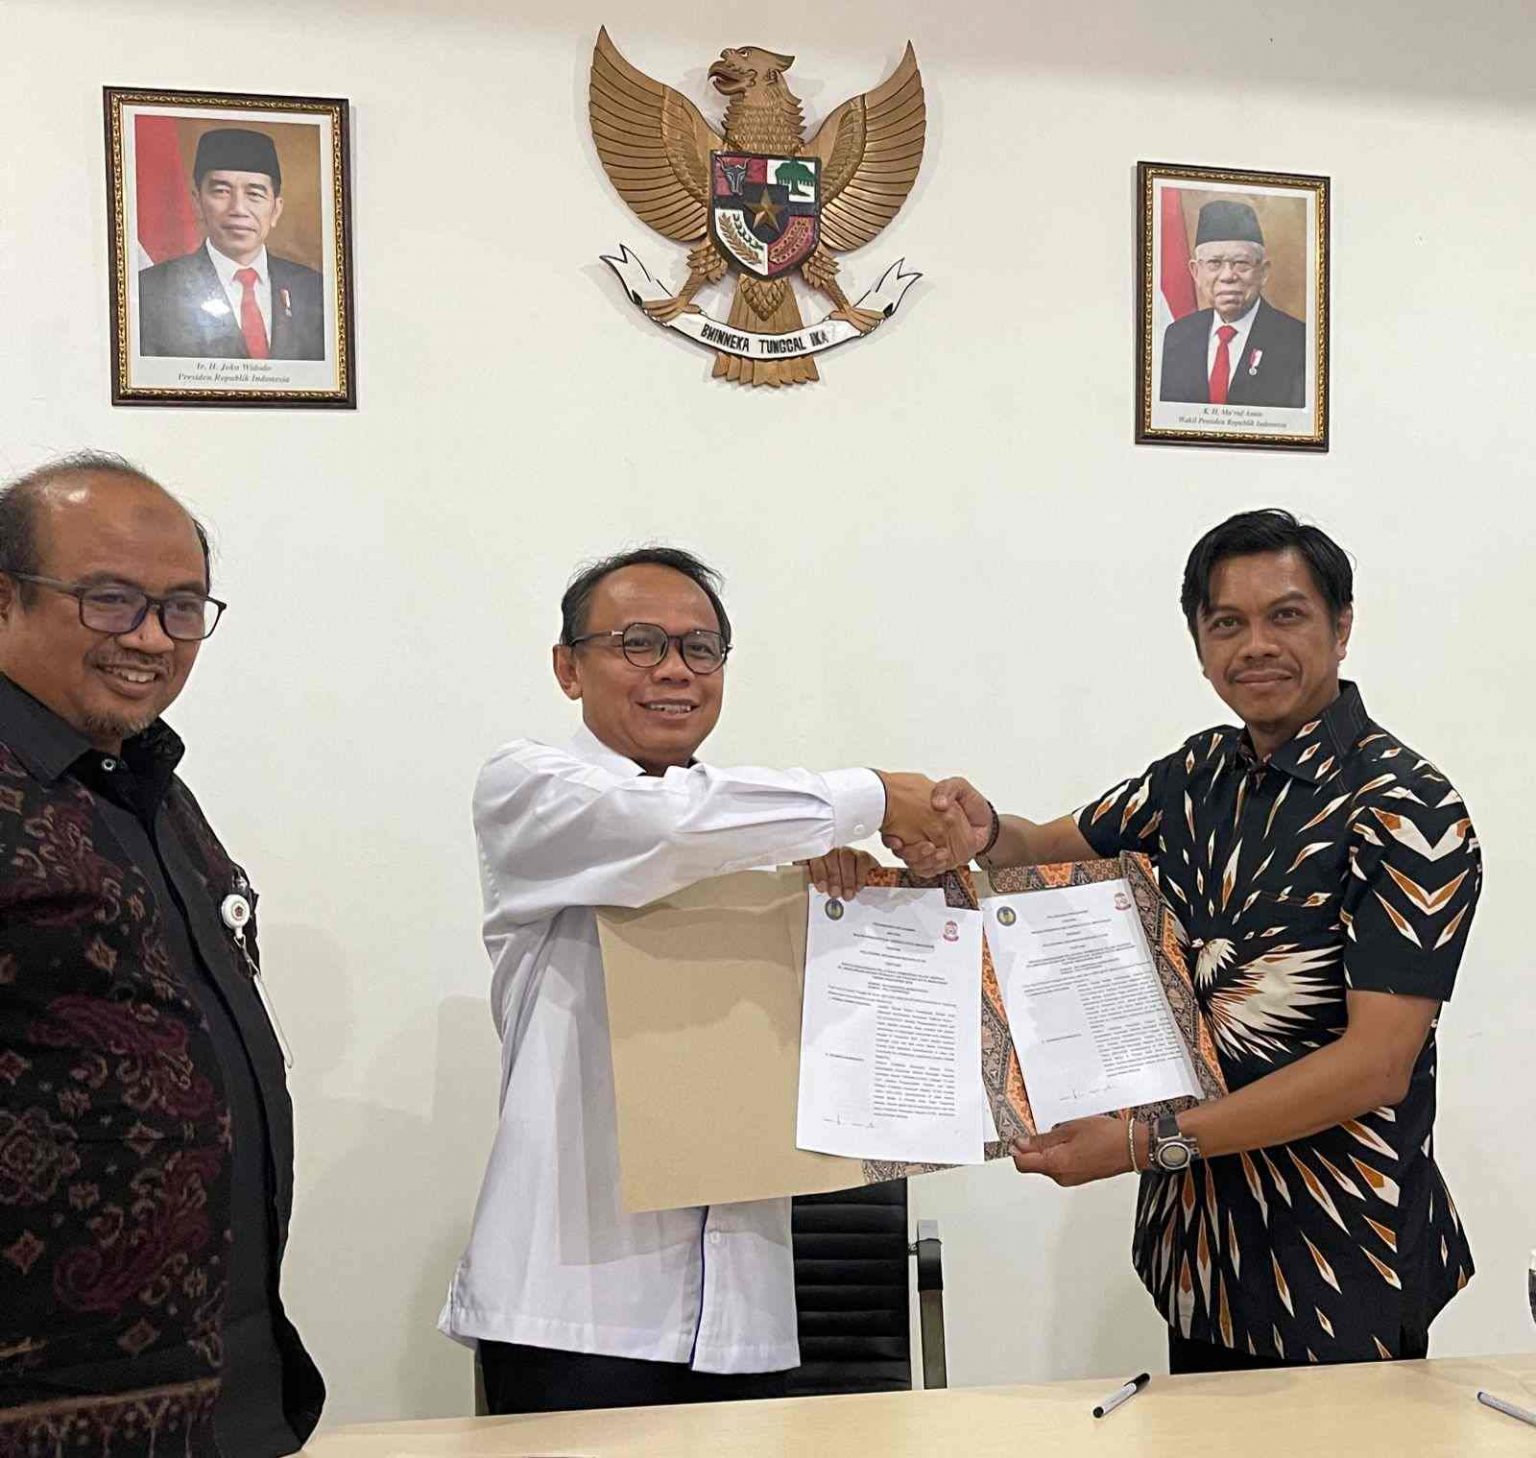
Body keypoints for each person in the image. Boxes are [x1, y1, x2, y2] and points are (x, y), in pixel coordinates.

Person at [889, 510, 1479, 1373]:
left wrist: (1140, 1145)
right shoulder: (1196, 775)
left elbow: (1375, 1066)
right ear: (1200, 646)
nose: (1256, 645)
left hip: (1343, 1254)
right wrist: (985, 831)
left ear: (1342, 627)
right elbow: (1041, 852)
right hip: (1201, 1248)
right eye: (1226, 623)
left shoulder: (1406, 808)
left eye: (1286, 615)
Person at [438, 545, 977, 1414]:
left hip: (743, 1316)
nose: (674, 670)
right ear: (568, 668)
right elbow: (661, 831)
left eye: (700, 649)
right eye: (638, 643)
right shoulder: (531, 787)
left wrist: (868, 904)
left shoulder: (762, 830)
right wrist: (878, 796)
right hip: (574, 1307)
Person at [0, 453, 322, 1455]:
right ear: (4, 596)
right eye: (110, 599)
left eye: (183, 608)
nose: (150, 637)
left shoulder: (146, 783)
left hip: (219, 1373)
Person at [138, 129, 325, 361]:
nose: (238, 209)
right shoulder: (149, 292)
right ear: (197, 202)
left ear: (276, 210)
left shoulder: (315, 291)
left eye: (254, 194)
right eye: (221, 192)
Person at [1160, 200, 1306, 408]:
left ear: (1263, 272)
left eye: (1241, 263)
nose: (1228, 276)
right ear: (1196, 272)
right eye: (1214, 263)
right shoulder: (1177, 336)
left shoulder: (1298, 343)